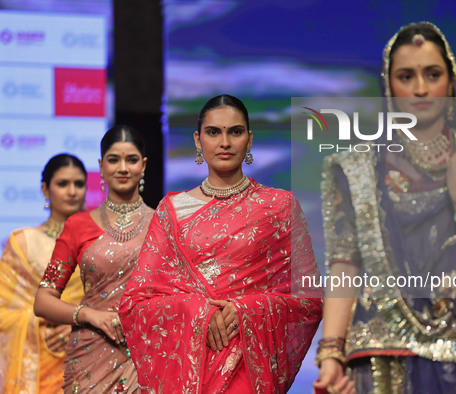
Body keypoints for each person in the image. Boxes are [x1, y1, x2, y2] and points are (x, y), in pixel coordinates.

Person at [314, 22, 456, 393]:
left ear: (451, 81)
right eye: (406, 76)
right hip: (382, 356)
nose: (421, 88)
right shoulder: (361, 167)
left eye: (433, 74)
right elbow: (346, 260)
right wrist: (331, 353)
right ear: (388, 85)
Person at [119, 94, 323, 393]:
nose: (224, 142)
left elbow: (309, 299)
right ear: (198, 140)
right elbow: (136, 302)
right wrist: (201, 313)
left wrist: (245, 310)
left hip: (248, 367)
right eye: (213, 132)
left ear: (249, 139)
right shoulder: (172, 210)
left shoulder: (279, 206)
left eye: (235, 132)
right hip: (192, 366)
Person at [34, 125, 152, 393]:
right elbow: (43, 300)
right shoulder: (78, 225)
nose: (122, 168)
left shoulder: (161, 223)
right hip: (89, 357)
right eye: (113, 159)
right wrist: (88, 314)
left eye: (131, 159)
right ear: (101, 165)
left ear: (143, 165)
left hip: (145, 354)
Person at [0, 154, 87, 393]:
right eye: (62, 184)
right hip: (38, 366)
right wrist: (42, 320)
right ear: (45, 189)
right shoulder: (23, 243)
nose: (72, 192)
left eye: (79, 184)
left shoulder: (99, 244)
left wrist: (78, 325)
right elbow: (3, 312)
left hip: (88, 356)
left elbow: (112, 305)